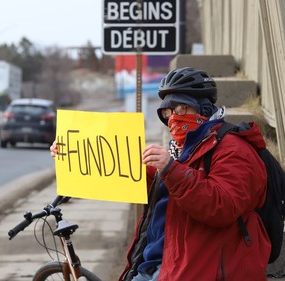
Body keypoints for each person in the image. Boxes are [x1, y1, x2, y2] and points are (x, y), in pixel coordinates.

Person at [50, 67, 271, 281]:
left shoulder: (233, 149)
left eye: (181, 109)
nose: (173, 117)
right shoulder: (180, 150)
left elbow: (223, 206)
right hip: (156, 265)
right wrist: (73, 154)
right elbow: (125, 176)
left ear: (203, 109)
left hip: (199, 270)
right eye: (167, 111)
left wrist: (171, 170)